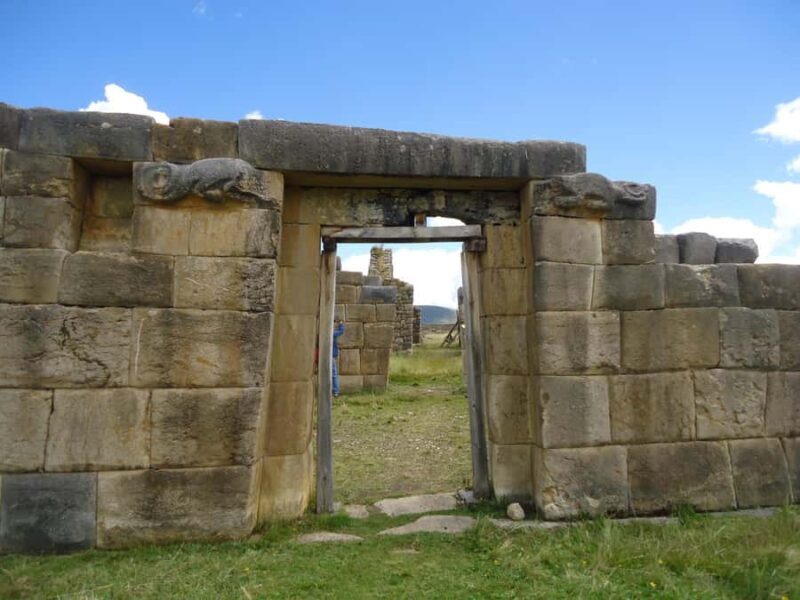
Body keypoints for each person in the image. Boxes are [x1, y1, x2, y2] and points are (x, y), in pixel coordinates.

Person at [332, 319, 345, 397]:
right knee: (334, 374)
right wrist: (341, 324)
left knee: (332, 373)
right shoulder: (332, 334)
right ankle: (336, 390)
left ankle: (335, 390)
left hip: (327, 356)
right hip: (331, 356)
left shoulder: (331, 333)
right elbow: (341, 331)